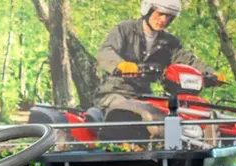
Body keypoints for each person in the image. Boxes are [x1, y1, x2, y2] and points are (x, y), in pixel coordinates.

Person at [93, 0, 224, 140]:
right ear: (148, 10)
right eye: (160, 14)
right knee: (122, 114)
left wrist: (211, 73)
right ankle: (116, 149)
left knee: (166, 115)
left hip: (144, 96)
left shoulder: (168, 42)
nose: (163, 20)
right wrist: (120, 65)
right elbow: (106, 51)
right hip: (115, 92)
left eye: (169, 17)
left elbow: (187, 59)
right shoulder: (124, 29)